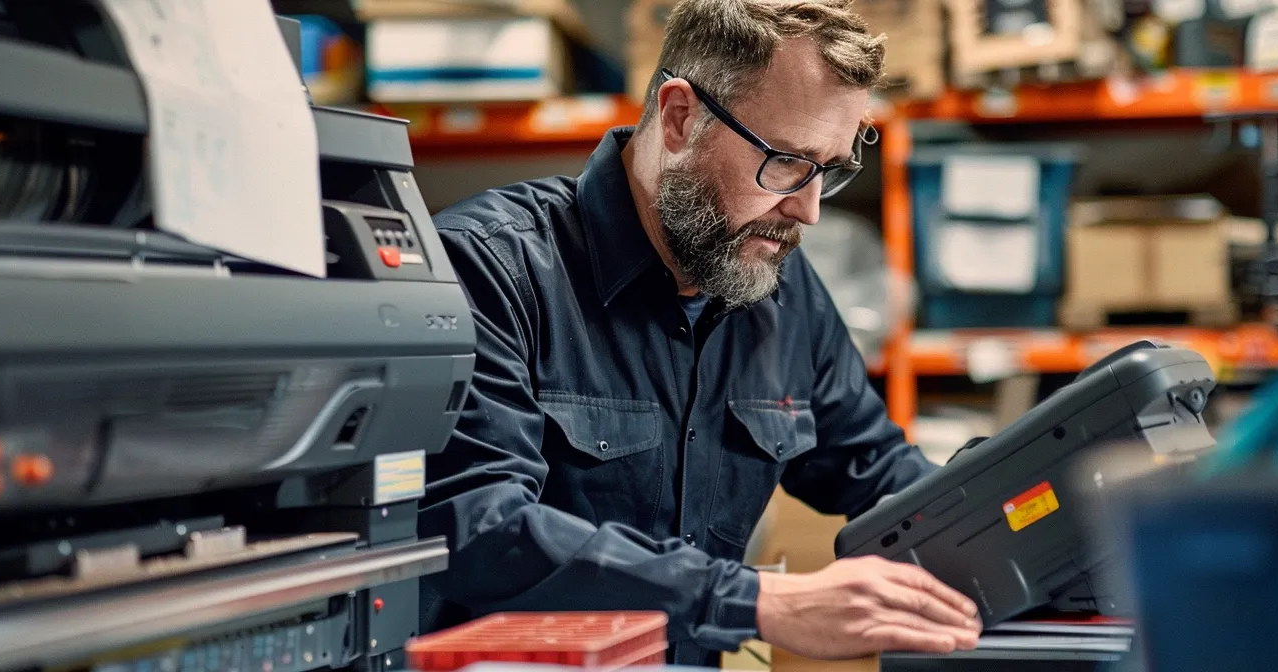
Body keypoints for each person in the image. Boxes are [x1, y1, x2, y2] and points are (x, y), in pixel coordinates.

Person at [418, 0, 981, 665]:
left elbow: (876, 468)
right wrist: (757, 603)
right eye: (786, 161)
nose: (808, 209)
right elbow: (479, 529)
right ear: (681, 117)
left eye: (830, 170)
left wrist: (1019, 513)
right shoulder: (490, 269)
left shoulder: (782, 291)